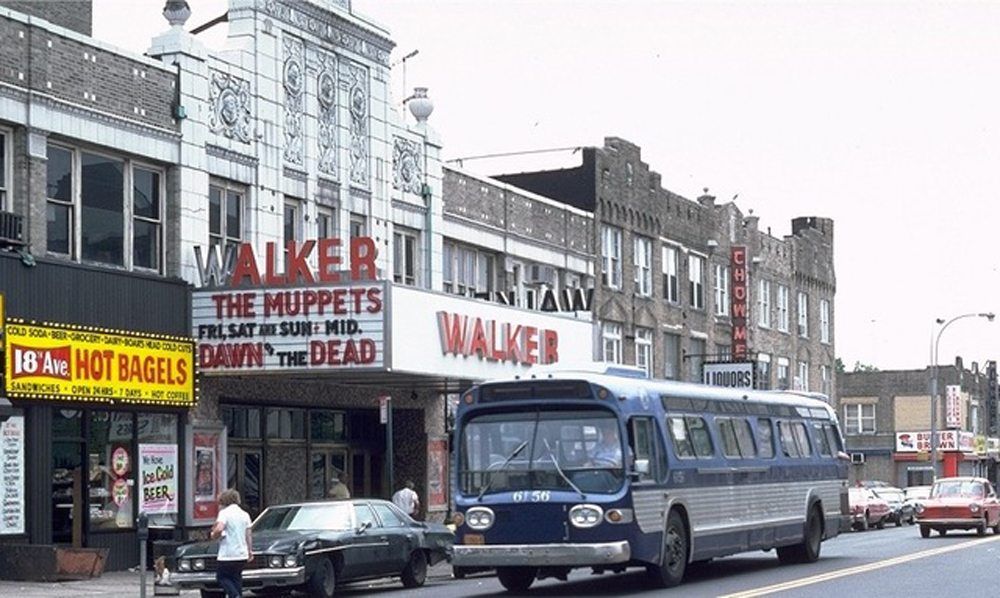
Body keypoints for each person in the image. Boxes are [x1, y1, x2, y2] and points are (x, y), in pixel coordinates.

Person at [211, 488, 253, 598]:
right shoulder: (245, 514)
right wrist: (249, 551)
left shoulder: (224, 513)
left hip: (227, 554)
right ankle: (238, 594)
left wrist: (213, 535)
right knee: (236, 577)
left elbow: (219, 528)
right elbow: (248, 534)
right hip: (241, 553)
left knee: (221, 577)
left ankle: (234, 595)